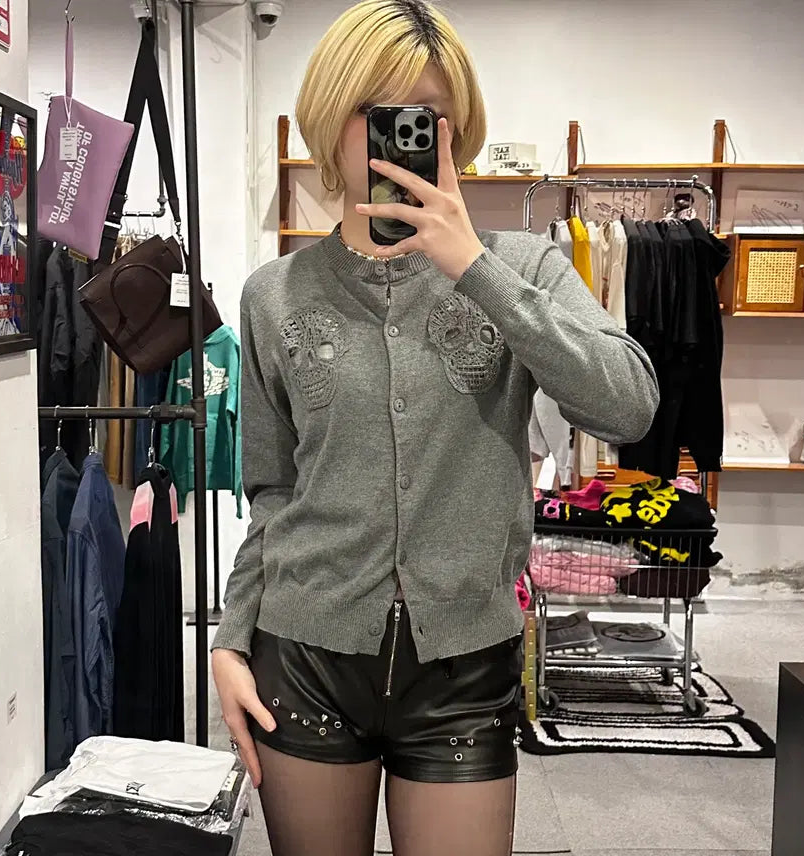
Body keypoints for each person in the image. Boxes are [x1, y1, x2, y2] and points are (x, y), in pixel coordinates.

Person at [211, 2, 659, 855]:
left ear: (457, 132)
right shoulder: (274, 294)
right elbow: (272, 490)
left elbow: (628, 404)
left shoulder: (523, 268)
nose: (400, 138)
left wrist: (474, 269)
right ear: (330, 118)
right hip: (304, 654)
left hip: (464, 666)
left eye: (427, 118)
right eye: (375, 111)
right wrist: (231, 642)